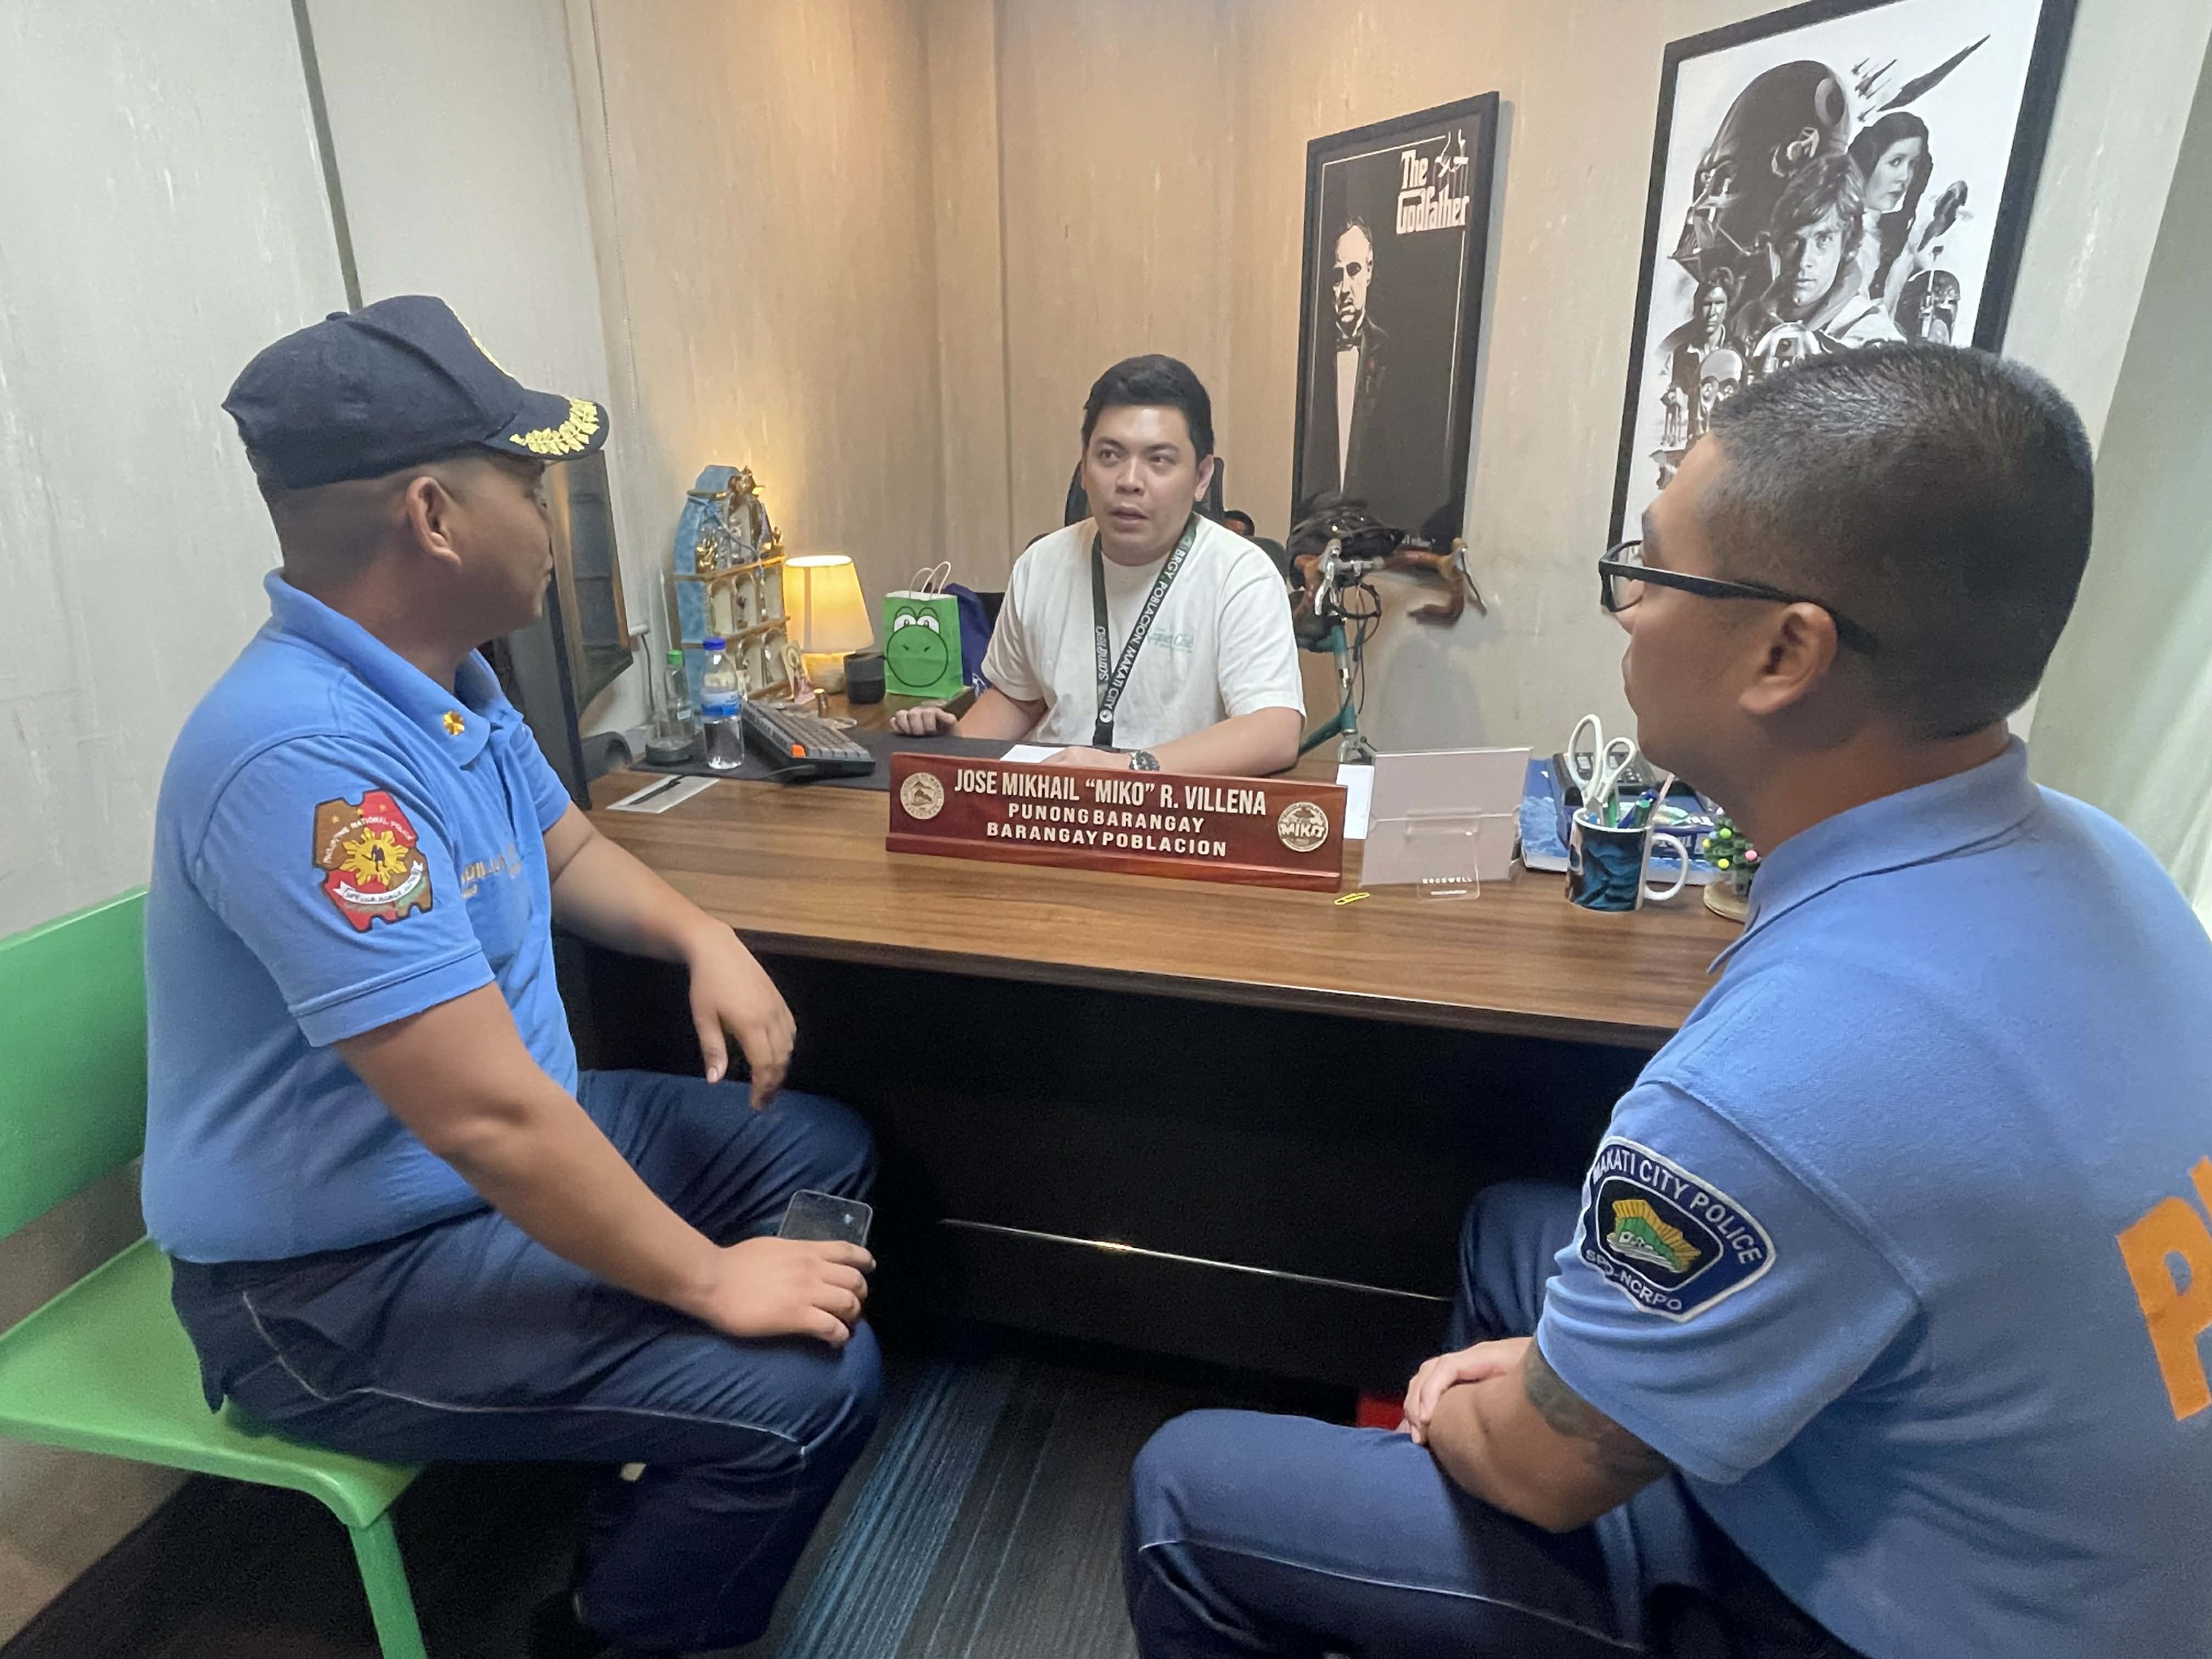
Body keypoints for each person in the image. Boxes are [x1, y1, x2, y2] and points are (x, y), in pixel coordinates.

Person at [1125, 346, 2212, 1657]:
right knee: (1512, 1231)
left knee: (1184, 1490)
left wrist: (1489, 1410)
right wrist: (1555, 1385)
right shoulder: (2111, 860)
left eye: (1650, 569)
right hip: (2077, 1552)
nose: (1629, 610)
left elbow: (1537, 1469)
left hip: (1873, 1621)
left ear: (1786, 651)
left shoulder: (1792, 1071)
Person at [145, 296, 881, 1659]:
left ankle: (646, 1474)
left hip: (484, 1167)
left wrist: (703, 936)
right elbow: (488, 1120)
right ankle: (607, 1627)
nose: (551, 517)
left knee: (818, 1147)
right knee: (806, 1391)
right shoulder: (307, 762)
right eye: (530, 485)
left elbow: (565, 848)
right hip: (331, 1284)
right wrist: (710, 1286)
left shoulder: (452, 686)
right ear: (434, 516)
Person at [891, 355, 1302, 775]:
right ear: (1084, 468)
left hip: (1176, 802)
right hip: (1054, 795)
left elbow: (1274, 732)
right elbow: (1018, 699)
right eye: (1109, 455)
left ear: (1201, 477)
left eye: (1159, 460)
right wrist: (955, 744)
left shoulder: (1240, 574)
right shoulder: (1042, 563)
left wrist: (1127, 769)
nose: (1129, 481)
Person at [1735, 154, 1903, 362]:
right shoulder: (1747, 321)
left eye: (1823, 240)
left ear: (1847, 246)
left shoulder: (1874, 340)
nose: (1804, 260)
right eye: (1794, 240)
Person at [1297, 218, 1394, 514]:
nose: (1345, 289)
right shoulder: (1314, 354)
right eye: (1337, 276)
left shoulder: (1388, 353)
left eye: (1354, 271)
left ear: (1370, 271)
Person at [1846, 111, 1933, 310]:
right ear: (1868, 161)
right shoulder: (1840, 234)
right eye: (1896, 162)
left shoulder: (1884, 234)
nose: (1905, 177)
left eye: (1913, 165)